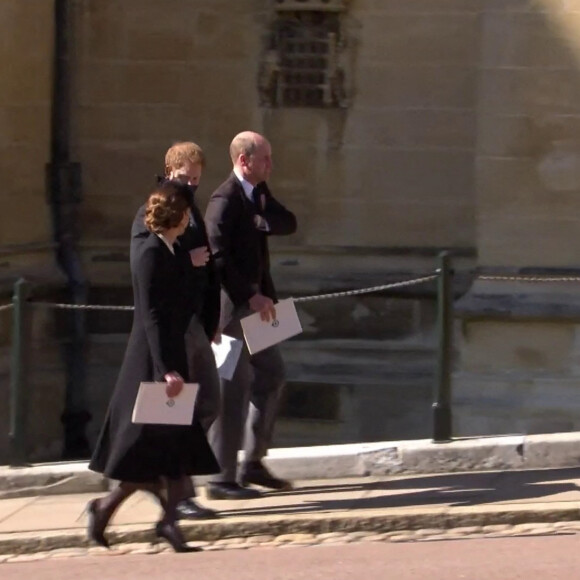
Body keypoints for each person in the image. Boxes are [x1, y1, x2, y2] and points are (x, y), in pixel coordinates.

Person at [88, 181, 219, 552]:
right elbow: (152, 315)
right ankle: (115, 511)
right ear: (177, 217)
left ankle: (162, 521)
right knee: (151, 450)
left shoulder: (171, 249)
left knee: (172, 449)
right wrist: (167, 370)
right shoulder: (149, 253)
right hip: (153, 362)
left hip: (171, 355)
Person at [204, 131, 298, 500]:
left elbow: (288, 222)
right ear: (244, 160)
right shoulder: (223, 200)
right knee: (231, 388)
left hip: (261, 306)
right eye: (265, 159)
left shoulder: (258, 194)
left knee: (272, 374)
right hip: (233, 310)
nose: (270, 166)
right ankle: (220, 478)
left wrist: (263, 220)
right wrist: (249, 295)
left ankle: (253, 462)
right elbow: (217, 256)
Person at [131, 142, 221, 520]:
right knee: (173, 415)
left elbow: (206, 265)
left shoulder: (189, 208)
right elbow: (149, 266)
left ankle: (166, 484)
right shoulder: (154, 210)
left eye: (196, 180)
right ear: (170, 172)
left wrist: (212, 321)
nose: (191, 186)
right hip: (173, 329)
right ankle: (177, 494)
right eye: (185, 179)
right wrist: (189, 261)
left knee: (207, 404)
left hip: (195, 323)